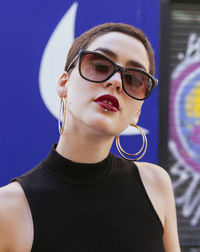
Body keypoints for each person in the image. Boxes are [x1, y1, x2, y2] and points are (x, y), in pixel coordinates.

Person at [0, 23, 180, 252]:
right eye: (100, 65)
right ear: (64, 83)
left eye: (134, 79)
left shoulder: (156, 185)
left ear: (138, 112)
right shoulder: (8, 208)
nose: (115, 81)